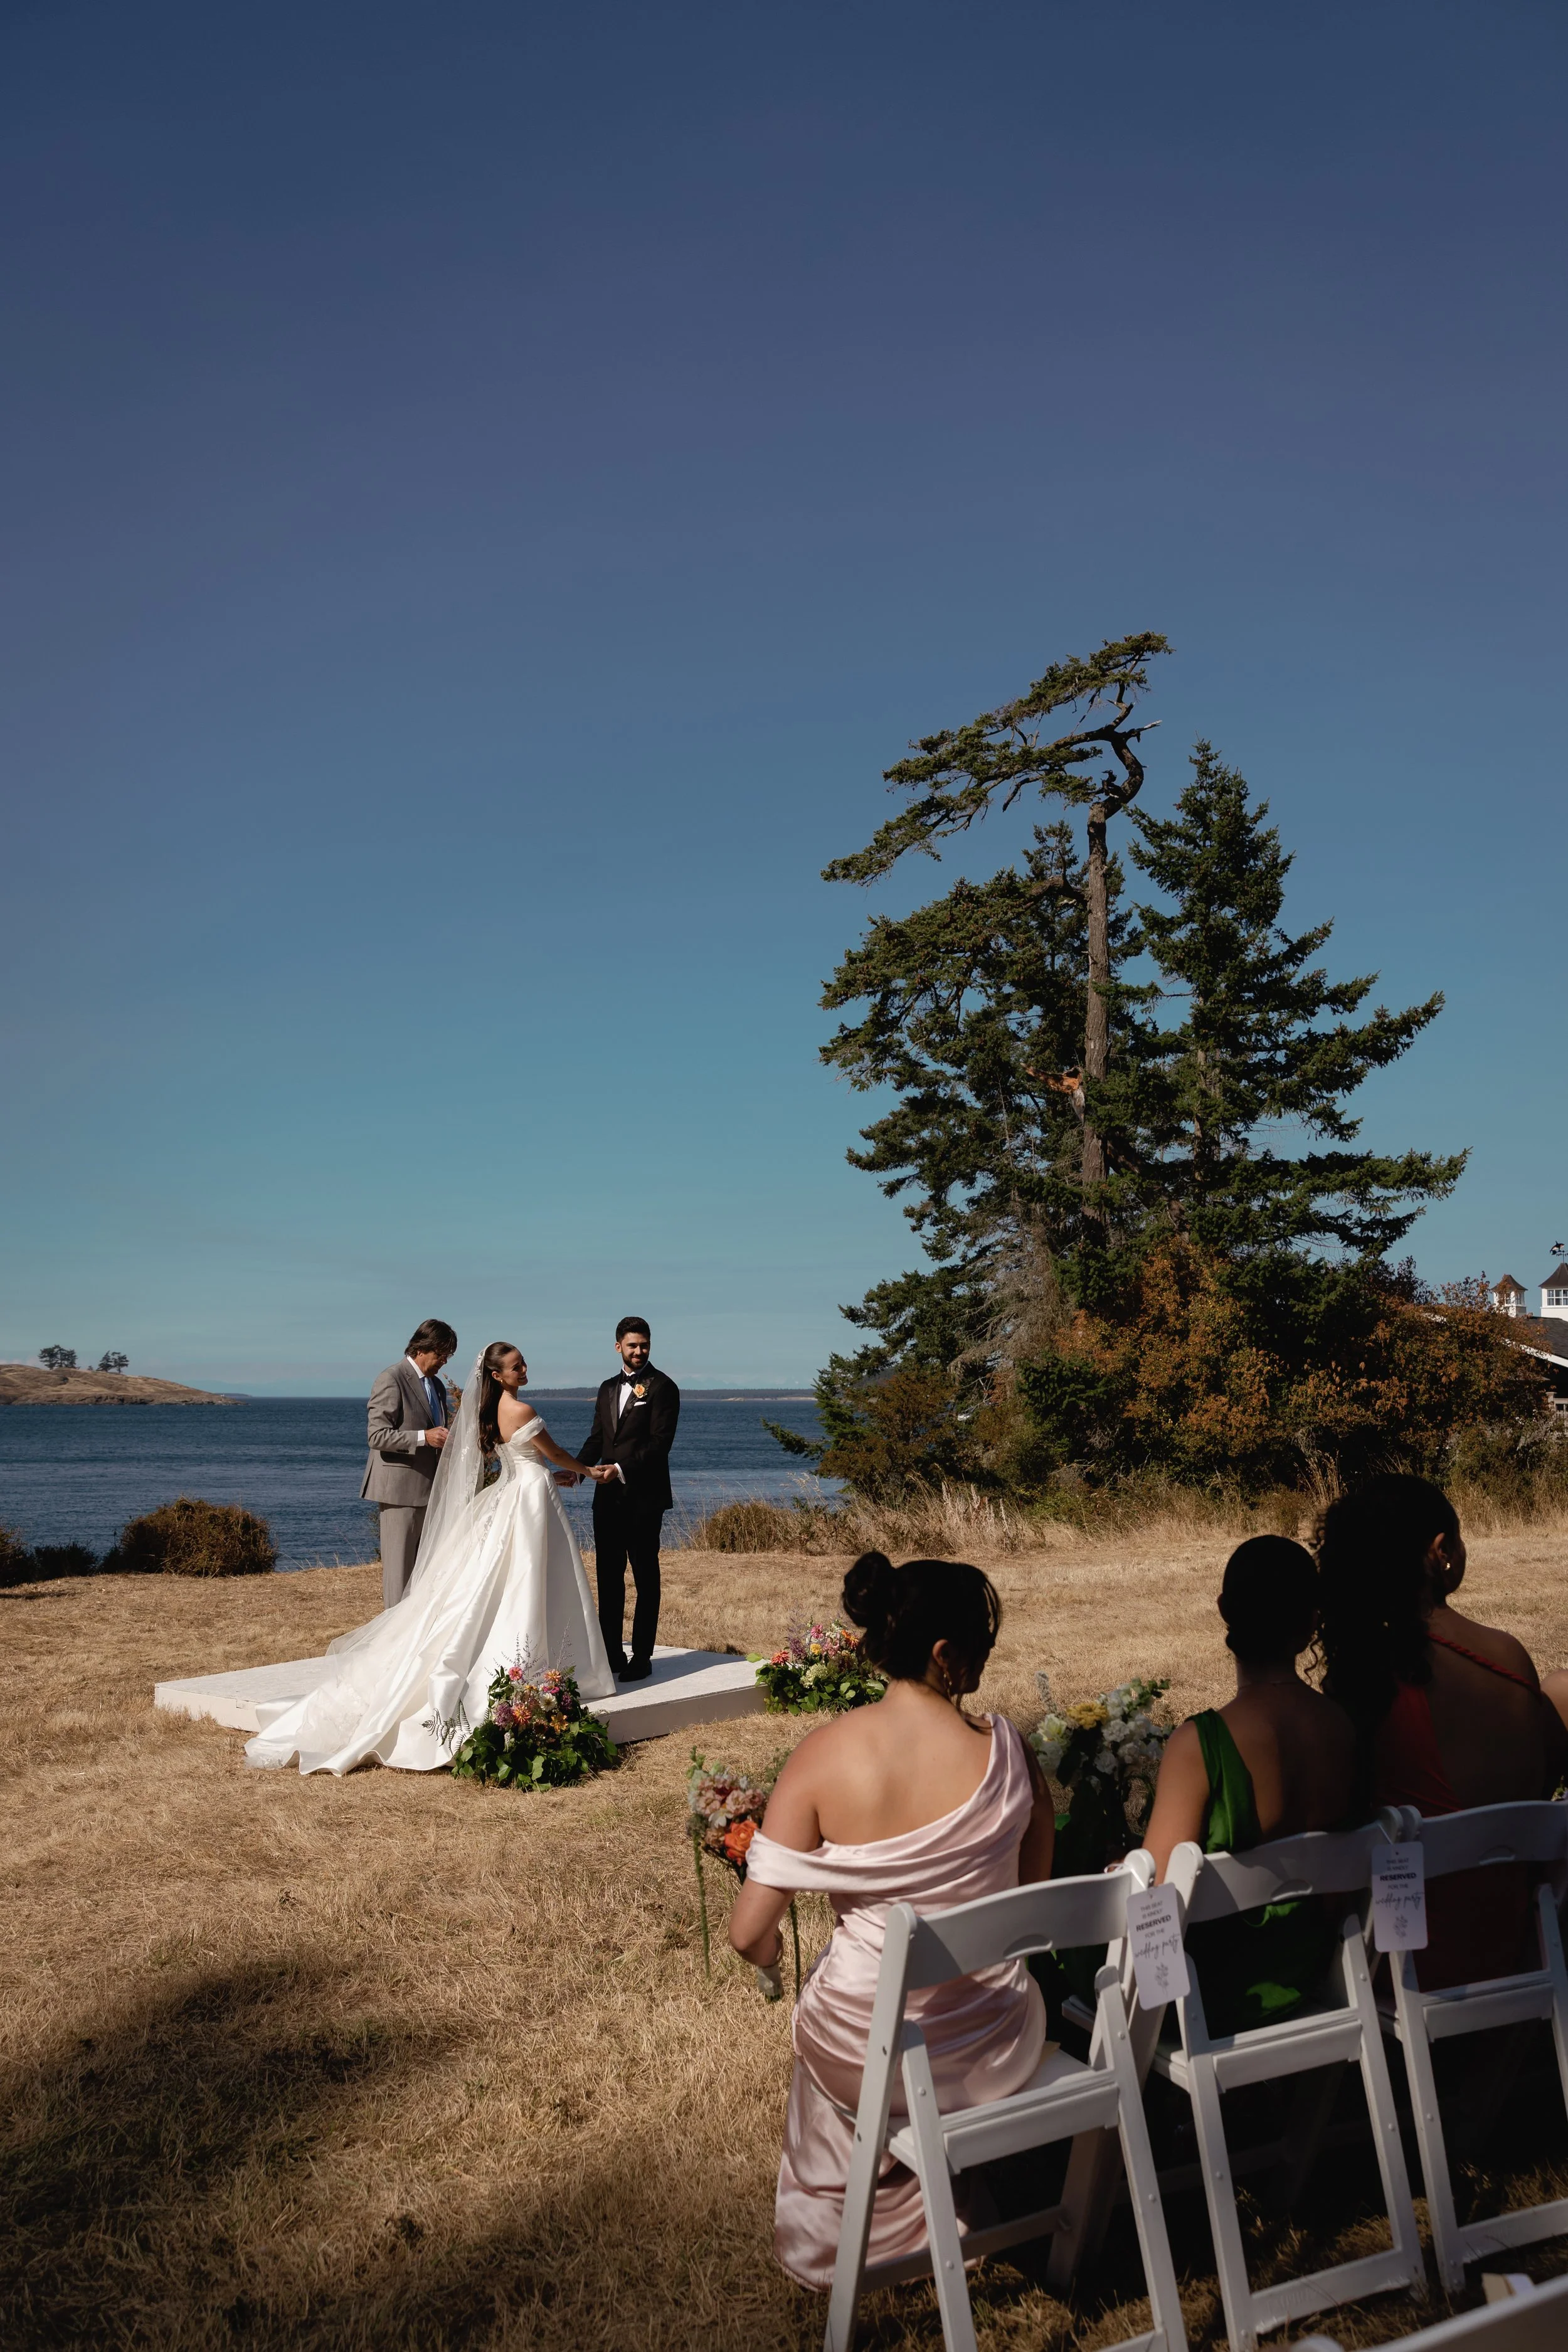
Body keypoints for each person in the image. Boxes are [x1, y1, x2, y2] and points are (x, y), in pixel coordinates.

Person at [729, 1550, 1054, 2291]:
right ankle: (950, 2214)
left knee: (833, 2003)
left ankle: (844, 2242)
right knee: (859, 2006)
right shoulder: (1011, 1753)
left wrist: (775, 1958)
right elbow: (1028, 1904)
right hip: (994, 2041)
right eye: (980, 1651)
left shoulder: (823, 1756)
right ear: (946, 1654)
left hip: (870, 2050)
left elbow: (748, 1932)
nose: (981, 1669)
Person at [247, 1343, 618, 1775]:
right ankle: (529, 1666)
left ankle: (536, 1665)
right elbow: (551, 1453)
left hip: (520, 1491)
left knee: (513, 1579)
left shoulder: (489, 1412)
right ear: (497, 1375)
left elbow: (521, 1462)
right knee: (529, 1578)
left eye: (523, 1362)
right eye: (517, 1365)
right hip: (531, 1500)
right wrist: (590, 1471)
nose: (525, 1369)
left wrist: (548, 1473)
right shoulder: (520, 1409)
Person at [1316, 1473, 1568, 1989]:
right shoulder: (1509, 1654)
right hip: (1515, 1936)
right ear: (1441, 1551)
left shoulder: (1371, 1677)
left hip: (1407, 1952)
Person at [1144, 1535, 1355, 2032]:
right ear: (1311, 1622)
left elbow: (1155, 1897)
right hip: (1313, 1973)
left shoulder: (1201, 1744)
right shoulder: (1342, 1727)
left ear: (1225, 1611)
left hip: (1213, 1996)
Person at [575, 1317, 680, 1681]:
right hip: (607, 1500)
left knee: (645, 1576)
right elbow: (598, 1439)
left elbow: (659, 1445)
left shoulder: (664, 1387)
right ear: (618, 1346)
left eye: (644, 1345)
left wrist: (619, 1468)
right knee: (608, 1578)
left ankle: (642, 1657)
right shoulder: (606, 1388)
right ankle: (611, 1653)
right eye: (632, 1345)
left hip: (644, 1499)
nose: (639, 1352)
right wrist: (576, 1470)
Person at [361, 1319, 457, 1609]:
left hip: (433, 1492)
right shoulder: (391, 1378)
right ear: (422, 1348)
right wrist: (423, 1438)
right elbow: (377, 1436)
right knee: (399, 1576)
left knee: (424, 1573)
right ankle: (390, 1644)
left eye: (448, 1356)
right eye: (442, 1354)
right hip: (400, 1492)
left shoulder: (437, 1386)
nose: (444, 1362)